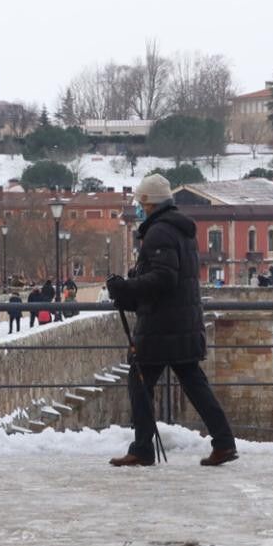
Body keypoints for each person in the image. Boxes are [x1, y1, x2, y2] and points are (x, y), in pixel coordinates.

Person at [106, 173, 237, 467]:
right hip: (181, 321)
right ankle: (224, 442)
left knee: (139, 382)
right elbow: (166, 274)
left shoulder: (159, 232)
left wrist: (127, 287)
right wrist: (136, 281)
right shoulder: (179, 229)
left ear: (150, 203)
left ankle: (142, 448)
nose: (139, 207)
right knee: (194, 384)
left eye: (141, 202)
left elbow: (165, 277)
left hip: (162, 324)